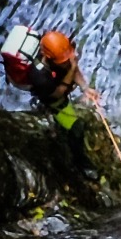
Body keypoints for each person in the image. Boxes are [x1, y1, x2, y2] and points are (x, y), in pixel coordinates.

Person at [27, 30, 101, 180]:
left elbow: (72, 67)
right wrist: (71, 69)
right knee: (76, 128)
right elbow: (57, 94)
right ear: (49, 58)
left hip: (58, 85)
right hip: (52, 98)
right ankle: (81, 163)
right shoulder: (39, 76)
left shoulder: (61, 53)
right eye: (63, 61)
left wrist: (85, 88)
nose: (66, 62)